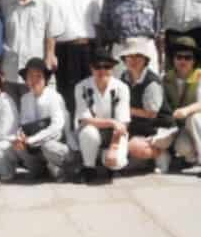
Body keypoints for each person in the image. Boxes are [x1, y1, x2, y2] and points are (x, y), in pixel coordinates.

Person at [0, 0, 63, 103]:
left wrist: (49, 58)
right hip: (9, 71)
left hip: (36, 70)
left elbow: (51, 35)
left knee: (36, 112)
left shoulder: (46, 3)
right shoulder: (4, 4)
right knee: (11, 112)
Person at [45, 0, 99, 122]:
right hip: (65, 49)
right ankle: (69, 129)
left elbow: (97, 23)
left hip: (88, 48)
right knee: (67, 92)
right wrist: (50, 53)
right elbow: (50, 28)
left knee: (91, 90)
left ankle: (90, 126)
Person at [161, 37, 201, 179]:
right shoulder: (166, 78)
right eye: (179, 57)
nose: (183, 61)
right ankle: (191, 158)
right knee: (181, 147)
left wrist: (186, 110)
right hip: (184, 124)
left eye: (188, 57)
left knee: (196, 118)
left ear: (194, 60)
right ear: (173, 59)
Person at [97, 0, 159, 75]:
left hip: (146, 47)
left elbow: (158, 27)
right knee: (121, 84)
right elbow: (105, 27)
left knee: (150, 83)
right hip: (121, 47)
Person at [118, 37, 175, 172]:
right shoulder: (124, 77)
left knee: (131, 146)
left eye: (138, 56)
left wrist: (125, 110)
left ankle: (161, 154)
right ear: (124, 59)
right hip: (141, 128)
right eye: (129, 56)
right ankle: (144, 159)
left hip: (160, 129)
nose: (133, 60)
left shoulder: (151, 82)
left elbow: (151, 114)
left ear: (145, 59)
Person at [74, 50, 131, 183]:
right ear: (91, 68)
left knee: (117, 161)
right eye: (97, 66)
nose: (102, 70)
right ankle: (89, 167)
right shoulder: (81, 87)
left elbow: (123, 123)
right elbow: (85, 119)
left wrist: (114, 148)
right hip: (91, 131)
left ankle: (110, 166)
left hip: (114, 134)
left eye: (107, 66)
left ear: (113, 68)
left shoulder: (122, 88)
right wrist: (112, 122)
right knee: (89, 132)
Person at [13, 57, 70, 181]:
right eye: (30, 76)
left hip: (58, 143)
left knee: (48, 146)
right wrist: (20, 137)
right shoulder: (25, 99)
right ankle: (38, 170)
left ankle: (64, 168)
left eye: (38, 76)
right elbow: (23, 124)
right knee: (16, 145)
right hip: (35, 143)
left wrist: (32, 139)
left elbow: (57, 127)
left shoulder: (54, 97)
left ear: (45, 79)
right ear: (26, 79)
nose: (34, 80)